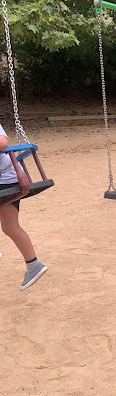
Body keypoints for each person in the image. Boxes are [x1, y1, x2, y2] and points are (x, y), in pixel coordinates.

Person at [0, 124, 47, 290]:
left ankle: (33, 266)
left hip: (5, 180)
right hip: (6, 179)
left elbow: (3, 142)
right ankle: (33, 265)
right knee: (10, 227)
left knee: (10, 226)